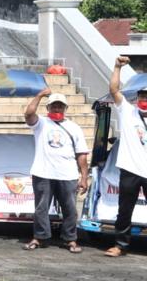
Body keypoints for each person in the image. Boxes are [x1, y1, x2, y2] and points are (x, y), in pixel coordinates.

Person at [22, 87, 89, 253]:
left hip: (67, 174)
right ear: (48, 108)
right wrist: (39, 95)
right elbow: (29, 114)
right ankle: (40, 237)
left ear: (65, 109)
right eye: (53, 106)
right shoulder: (41, 123)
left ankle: (70, 239)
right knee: (41, 209)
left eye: (60, 106)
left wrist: (84, 177)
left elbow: (81, 155)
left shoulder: (74, 128)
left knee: (70, 209)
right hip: (43, 173)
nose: (57, 109)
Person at [104, 56, 147, 257]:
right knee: (124, 210)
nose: (144, 100)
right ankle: (121, 245)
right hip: (130, 169)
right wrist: (117, 67)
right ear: (137, 99)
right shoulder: (128, 112)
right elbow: (114, 90)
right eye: (142, 97)